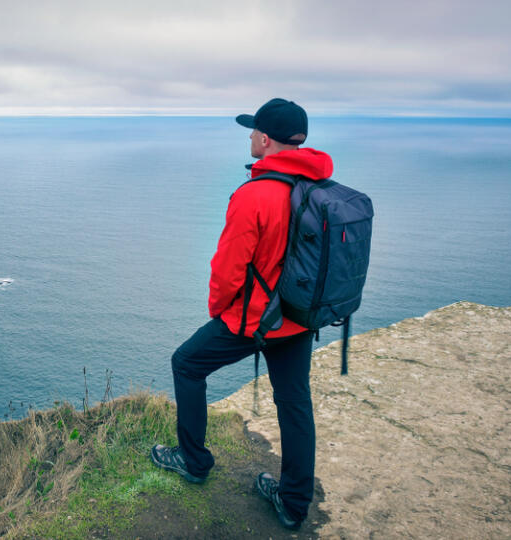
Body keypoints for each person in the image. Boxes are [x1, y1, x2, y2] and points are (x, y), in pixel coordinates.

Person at [149, 98, 333, 531]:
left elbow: (229, 267)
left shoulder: (255, 195)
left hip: (254, 319)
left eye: (253, 130)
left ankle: (193, 462)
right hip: (300, 317)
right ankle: (292, 504)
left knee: (187, 364)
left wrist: (219, 310)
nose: (250, 136)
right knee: (294, 403)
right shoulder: (320, 190)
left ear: (266, 139)